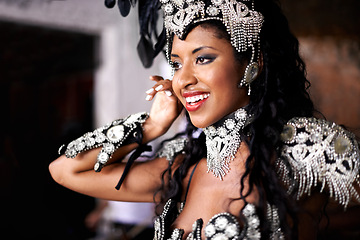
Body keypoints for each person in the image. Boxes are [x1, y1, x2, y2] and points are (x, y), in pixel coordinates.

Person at [49, 0, 360, 239]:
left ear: (253, 61)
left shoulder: (306, 149)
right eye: (176, 63)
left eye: (203, 58)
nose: (183, 80)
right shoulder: (182, 169)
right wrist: (152, 126)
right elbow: (64, 170)